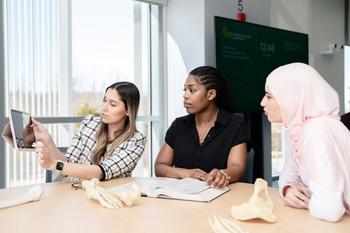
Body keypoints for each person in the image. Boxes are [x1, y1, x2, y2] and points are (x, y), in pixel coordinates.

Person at [260, 62, 350, 222]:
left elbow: (330, 210)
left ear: (292, 97)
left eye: (269, 96)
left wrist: (313, 199)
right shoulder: (297, 128)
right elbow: (288, 174)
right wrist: (287, 190)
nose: (262, 103)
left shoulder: (317, 130)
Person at [155, 66, 249, 188]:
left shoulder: (235, 125)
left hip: (219, 196)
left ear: (211, 94)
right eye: (185, 90)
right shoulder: (178, 125)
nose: (185, 95)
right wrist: (186, 173)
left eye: (192, 90)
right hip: (182, 197)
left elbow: (237, 168)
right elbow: (160, 166)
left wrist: (221, 175)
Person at [32, 81, 146, 181]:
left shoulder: (136, 141)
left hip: (110, 198)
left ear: (128, 110)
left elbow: (101, 172)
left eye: (112, 104)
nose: (104, 108)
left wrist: (53, 164)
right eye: (104, 100)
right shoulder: (89, 123)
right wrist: (47, 139)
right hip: (77, 194)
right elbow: (69, 163)